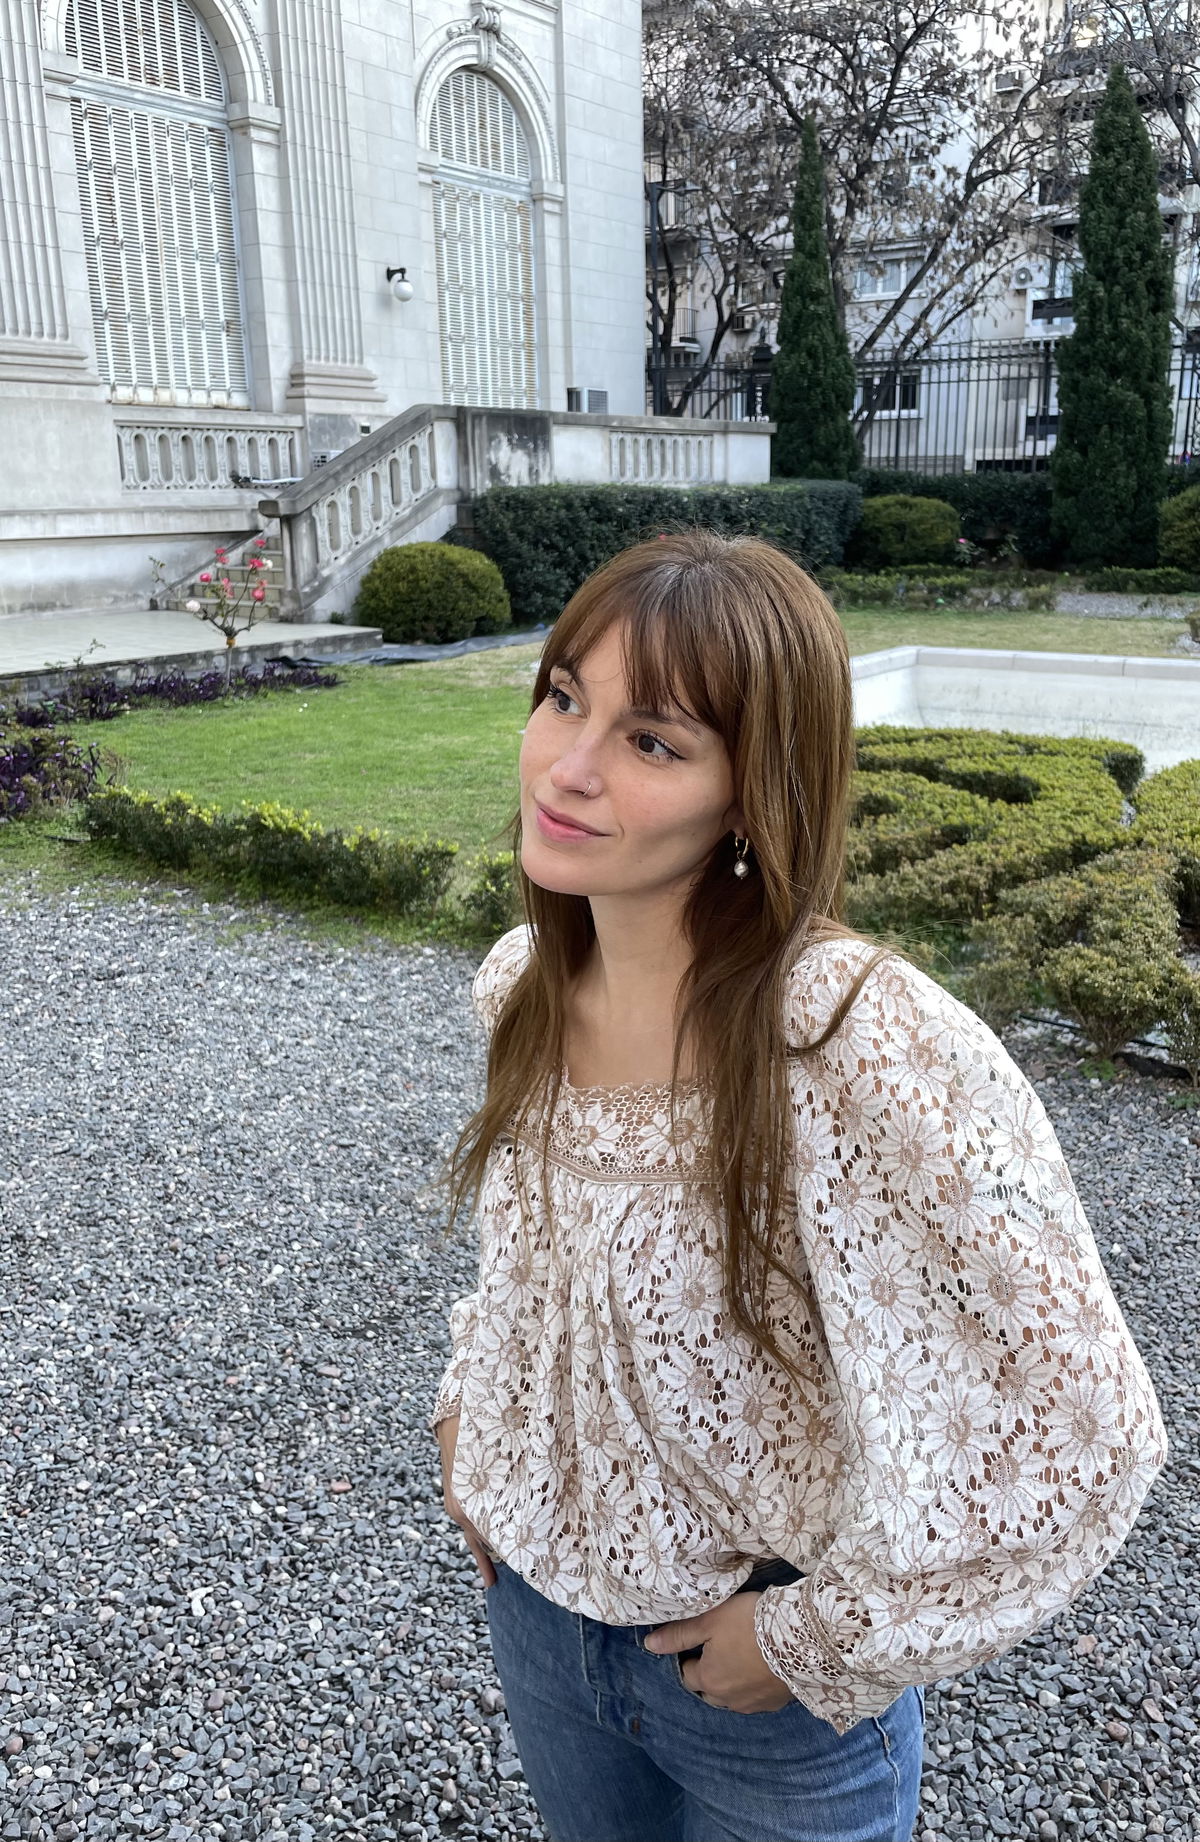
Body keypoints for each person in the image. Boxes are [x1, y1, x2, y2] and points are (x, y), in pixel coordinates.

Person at [430, 530, 1168, 1842]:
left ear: (751, 792)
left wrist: (822, 1635)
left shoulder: (849, 1038)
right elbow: (531, 1266)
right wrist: (471, 1423)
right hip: (537, 1630)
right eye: (563, 697)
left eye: (653, 741)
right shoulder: (524, 989)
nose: (570, 766)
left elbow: (1082, 1418)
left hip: (763, 1704)